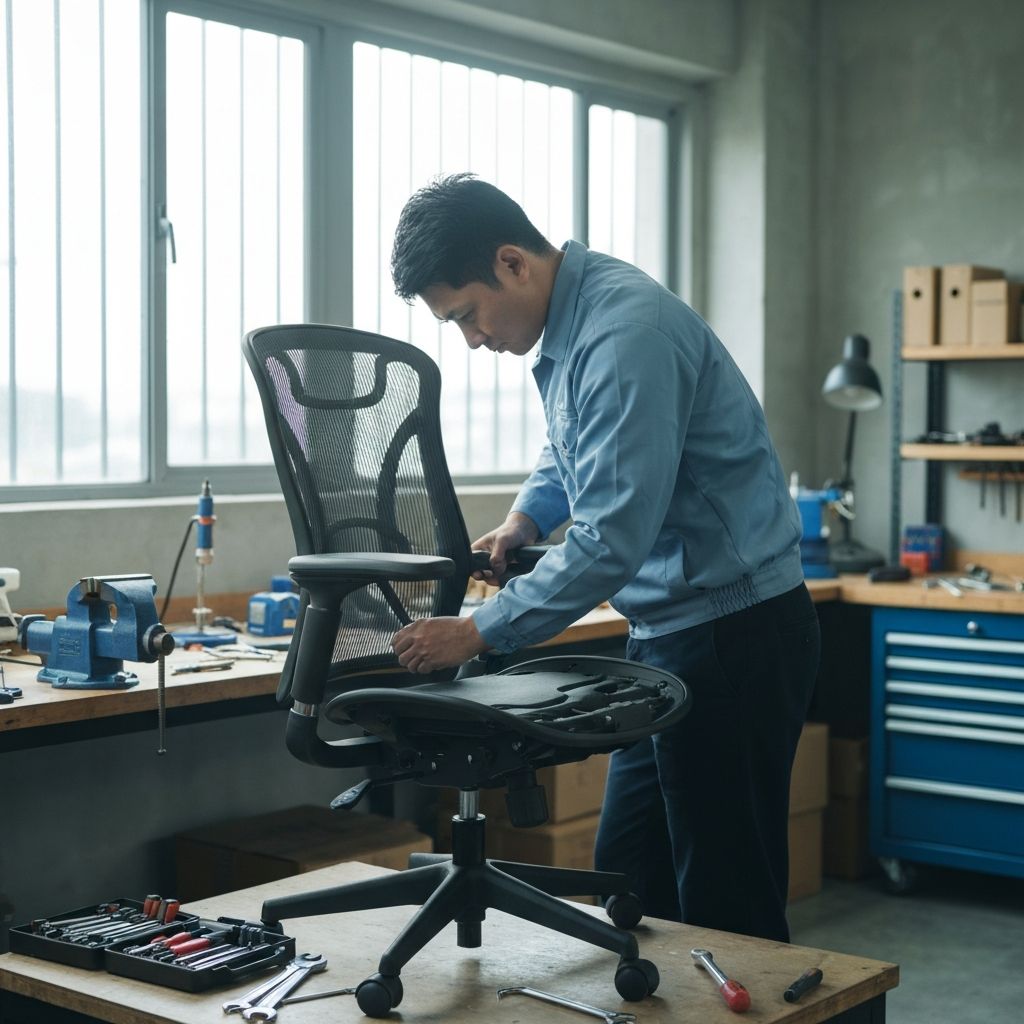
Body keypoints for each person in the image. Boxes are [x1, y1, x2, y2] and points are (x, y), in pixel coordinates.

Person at [388, 172, 821, 943]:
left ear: (513, 263)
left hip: (735, 636)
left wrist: (479, 633)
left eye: (467, 316)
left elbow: (610, 540)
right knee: (631, 886)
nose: (474, 340)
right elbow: (571, 450)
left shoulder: (626, 335)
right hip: (669, 636)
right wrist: (525, 520)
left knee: (728, 907)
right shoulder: (578, 326)